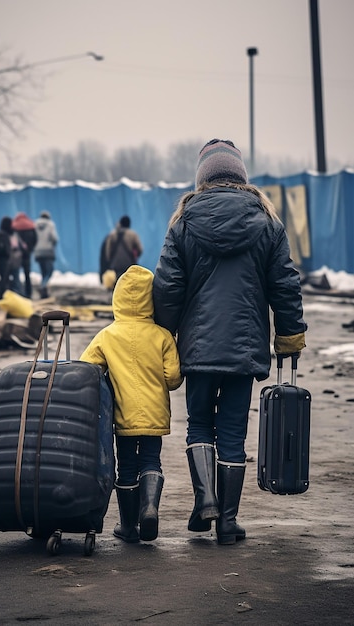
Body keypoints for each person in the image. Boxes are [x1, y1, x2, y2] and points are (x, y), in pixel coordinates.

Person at [152, 139, 307, 545]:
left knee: (200, 424)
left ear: (202, 179)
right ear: (241, 177)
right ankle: (228, 521)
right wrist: (289, 337)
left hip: (198, 349)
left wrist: (165, 330)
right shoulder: (268, 224)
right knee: (233, 432)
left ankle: (205, 499)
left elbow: (168, 285)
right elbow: (285, 286)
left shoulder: (184, 222)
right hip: (244, 347)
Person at [79, 265, 183, 543]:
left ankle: (127, 526)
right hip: (155, 416)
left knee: (126, 465)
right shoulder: (162, 335)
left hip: (122, 416)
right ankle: (149, 509)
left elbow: (85, 372)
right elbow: (173, 379)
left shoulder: (106, 336)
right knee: (151, 460)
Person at [0, 216, 22, 300]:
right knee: (4, 278)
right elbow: (3, 249)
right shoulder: (2, 235)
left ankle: (2, 295)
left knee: (4, 278)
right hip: (2, 260)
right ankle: (1, 296)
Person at [101, 216, 143, 287]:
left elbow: (108, 251)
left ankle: (117, 296)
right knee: (128, 283)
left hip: (115, 264)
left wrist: (110, 261)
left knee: (117, 282)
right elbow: (140, 249)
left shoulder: (112, 234)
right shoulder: (133, 235)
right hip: (129, 263)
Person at [12, 212, 37, 299]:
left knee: (16, 273)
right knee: (27, 273)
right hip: (27, 253)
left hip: (17, 254)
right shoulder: (31, 226)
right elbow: (35, 239)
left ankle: (18, 292)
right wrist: (30, 249)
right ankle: (28, 292)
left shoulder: (15, 226)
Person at [34, 211, 59, 299]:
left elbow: (33, 238)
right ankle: (43, 286)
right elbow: (54, 238)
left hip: (38, 252)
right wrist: (52, 245)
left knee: (43, 272)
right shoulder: (50, 224)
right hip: (48, 251)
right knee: (49, 271)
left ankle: (43, 291)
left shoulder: (35, 225)